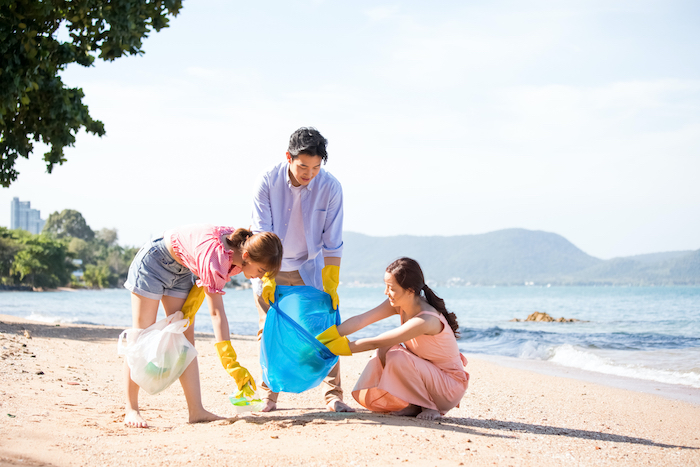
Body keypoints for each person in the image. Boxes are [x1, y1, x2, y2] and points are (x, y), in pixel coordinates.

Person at [123, 224, 283, 428]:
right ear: (246, 257)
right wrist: (229, 360)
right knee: (141, 335)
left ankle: (196, 410)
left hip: (183, 270)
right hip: (154, 262)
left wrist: (270, 280)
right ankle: (131, 409)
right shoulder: (215, 261)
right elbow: (216, 313)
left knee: (184, 340)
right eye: (261, 270)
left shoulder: (244, 246)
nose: (261, 277)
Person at [250, 127, 353, 413]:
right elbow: (261, 232)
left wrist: (331, 283)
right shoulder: (267, 181)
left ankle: (333, 395)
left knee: (327, 326)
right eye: (303, 166)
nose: (310, 173)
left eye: (317, 167)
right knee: (268, 327)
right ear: (289, 157)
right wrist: (269, 277)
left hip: (313, 266)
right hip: (271, 261)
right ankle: (268, 395)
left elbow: (333, 241)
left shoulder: (331, 187)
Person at [317, 257, 469, 420]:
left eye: (391, 287)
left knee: (394, 352)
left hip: (448, 387)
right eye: (386, 286)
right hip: (429, 378)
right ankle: (415, 405)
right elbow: (361, 320)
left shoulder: (426, 320)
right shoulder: (399, 304)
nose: (386, 292)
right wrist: (324, 338)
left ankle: (430, 406)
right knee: (387, 350)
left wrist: (333, 348)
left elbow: (377, 341)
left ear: (410, 290)